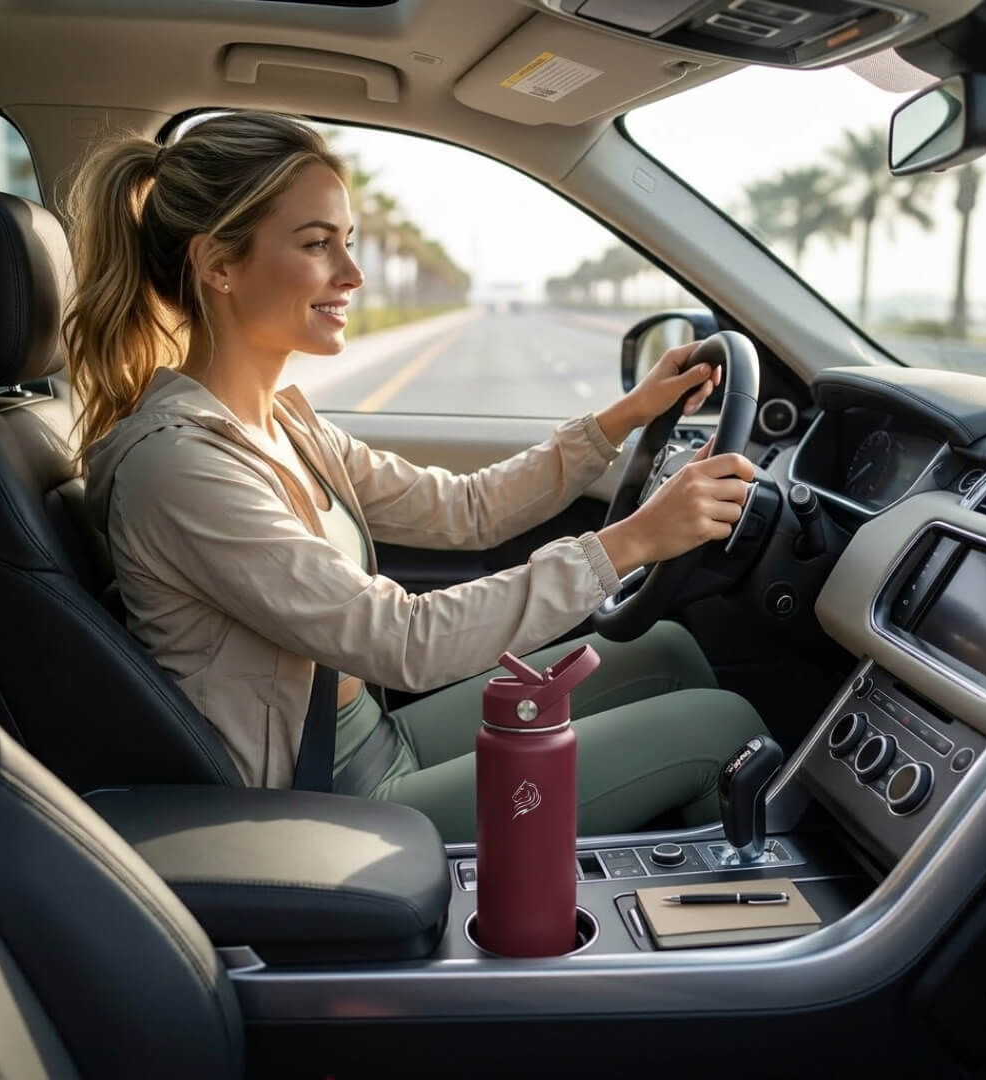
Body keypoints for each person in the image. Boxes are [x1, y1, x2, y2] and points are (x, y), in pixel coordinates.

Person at [67, 111, 767, 844]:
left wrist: (621, 419)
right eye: (316, 244)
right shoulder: (183, 468)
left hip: (373, 740)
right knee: (721, 729)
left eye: (348, 242)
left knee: (668, 653)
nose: (353, 274)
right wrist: (632, 542)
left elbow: (465, 510)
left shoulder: (283, 424)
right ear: (217, 265)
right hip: (323, 801)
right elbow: (404, 640)